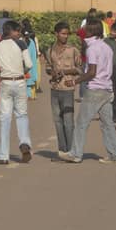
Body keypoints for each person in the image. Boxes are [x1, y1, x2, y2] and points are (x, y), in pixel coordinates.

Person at [60, 22, 116, 164]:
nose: (83, 32)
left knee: (82, 123)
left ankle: (76, 153)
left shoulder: (92, 49)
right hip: (107, 88)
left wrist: (75, 81)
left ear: (91, 32)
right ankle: (115, 154)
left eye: (85, 30)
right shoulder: (107, 47)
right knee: (107, 124)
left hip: (95, 89)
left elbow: (92, 72)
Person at [0, 20, 32, 166]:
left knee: (5, 118)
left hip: (5, 82)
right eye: (18, 31)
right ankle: (25, 142)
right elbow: (29, 64)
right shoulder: (20, 43)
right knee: (21, 115)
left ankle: (3, 155)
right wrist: (21, 72)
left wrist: (1, 73)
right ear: (12, 31)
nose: (19, 33)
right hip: (19, 81)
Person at [46, 21, 82, 154]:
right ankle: (62, 149)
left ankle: (72, 150)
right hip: (55, 88)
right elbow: (48, 67)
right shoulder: (50, 50)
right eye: (62, 33)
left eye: (67, 34)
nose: (65, 36)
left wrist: (65, 72)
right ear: (56, 34)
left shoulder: (73, 50)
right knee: (57, 120)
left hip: (67, 88)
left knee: (68, 121)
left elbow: (80, 69)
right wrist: (52, 72)